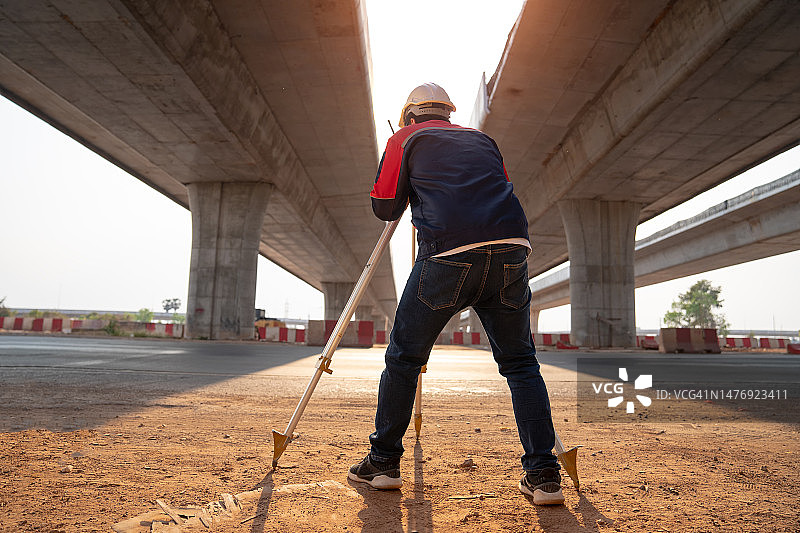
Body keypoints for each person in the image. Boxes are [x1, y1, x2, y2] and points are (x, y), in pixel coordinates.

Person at [347, 83, 563, 505]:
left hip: (448, 255)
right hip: (511, 250)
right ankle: (543, 476)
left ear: (409, 114)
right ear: (448, 113)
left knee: (404, 358)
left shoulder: (403, 138)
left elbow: (386, 206)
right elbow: (496, 186)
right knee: (520, 363)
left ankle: (384, 463)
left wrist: (412, 184)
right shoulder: (483, 140)